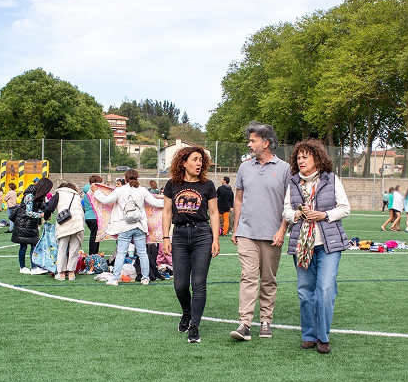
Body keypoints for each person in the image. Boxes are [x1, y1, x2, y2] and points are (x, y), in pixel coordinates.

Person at [282, 139, 350, 354]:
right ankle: (309, 335)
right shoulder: (293, 182)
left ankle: (323, 336)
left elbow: (345, 208)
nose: (301, 161)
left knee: (325, 289)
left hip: (328, 245)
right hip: (302, 245)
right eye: (298, 158)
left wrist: (324, 215)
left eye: (305, 157)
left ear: (317, 158)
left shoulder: (331, 179)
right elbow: (285, 211)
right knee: (305, 292)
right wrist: (297, 214)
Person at [230, 122, 290, 342]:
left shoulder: (284, 168)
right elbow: (238, 198)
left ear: (266, 143)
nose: (249, 144)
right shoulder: (244, 167)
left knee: (268, 279)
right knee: (248, 276)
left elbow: (289, 202)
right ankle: (245, 323)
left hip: (272, 234)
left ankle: (266, 320)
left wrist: (282, 230)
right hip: (247, 232)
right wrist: (236, 227)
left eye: (253, 140)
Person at [160, 146, 219, 344]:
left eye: (201, 160)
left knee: (199, 283)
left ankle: (194, 325)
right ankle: (187, 311)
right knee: (180, 284)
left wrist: (216, 240)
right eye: (195, 159)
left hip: (203, 234)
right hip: (179, 236)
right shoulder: (172, 184)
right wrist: (165, 237)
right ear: (184, 162)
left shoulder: (208, 185)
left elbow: (213, 213)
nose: (199, 163)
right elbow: (167, 212)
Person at [94, 169, 164, 286]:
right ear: (137, 178)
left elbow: (106, 200)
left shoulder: (120, 190)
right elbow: (156, 203)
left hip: (124, 226)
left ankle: (115, 279)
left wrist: (96, 192)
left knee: (121, 253)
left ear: (125, 179)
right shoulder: (142, 190)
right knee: (142, 253)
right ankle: (145, 278)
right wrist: (169, 202)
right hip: (139, 226)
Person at [45, 182, 86, 281]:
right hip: (78, 223)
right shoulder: (76, 195)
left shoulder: (58, 194)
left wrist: (46, 217)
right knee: (74, 250)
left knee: (62, 249)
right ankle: (71, 273)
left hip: (64, 223)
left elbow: (49, 207)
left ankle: (61, 273)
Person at [12, 178, 52, 274]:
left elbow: (40, 206)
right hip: (23, 223)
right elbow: (28, 212)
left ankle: (34, 267)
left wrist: (47, 210)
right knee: (23, 246)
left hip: (31, 224)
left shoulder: (38, 195)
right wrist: (41, 215)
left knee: (34, 245)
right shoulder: (30, 195)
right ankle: (23, 267)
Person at [82, 176, 102, 256]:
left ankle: (94, 255)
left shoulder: (87, 191)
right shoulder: (95, 191)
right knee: (94, 237)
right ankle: (93, 256)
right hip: (94, 217)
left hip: (88, 217)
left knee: (95, 236)